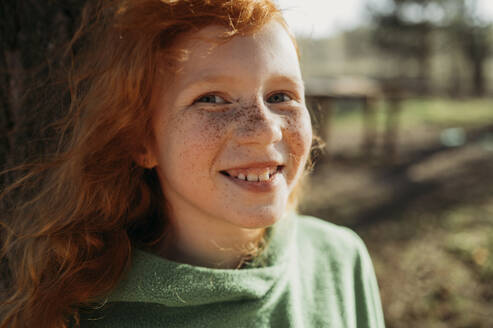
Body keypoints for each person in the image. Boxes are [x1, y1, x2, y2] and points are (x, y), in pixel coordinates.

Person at [0, 0, 385, 327]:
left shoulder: (340, 260)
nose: (265, 129)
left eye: (281, 95)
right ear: (142, 140)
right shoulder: (89, 314)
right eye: (212, 99)